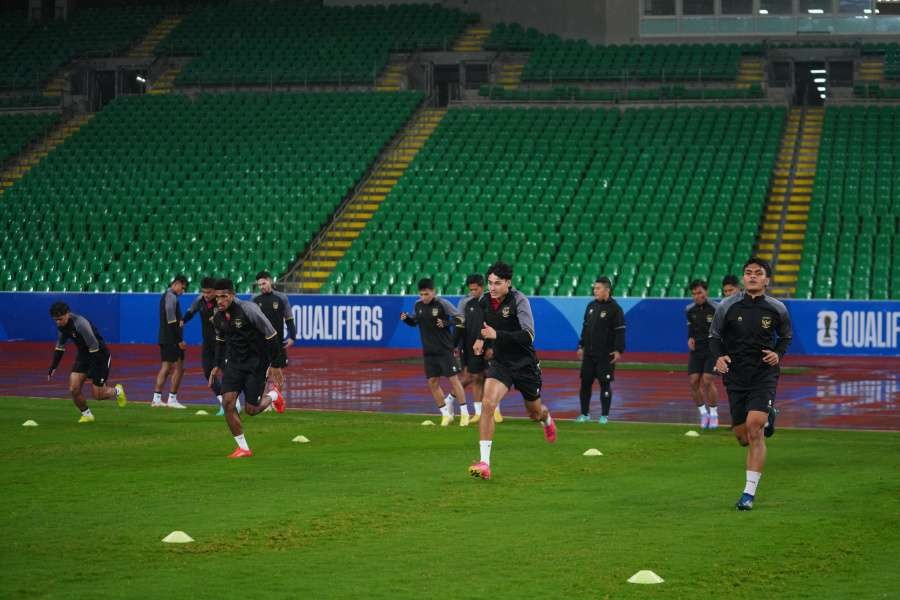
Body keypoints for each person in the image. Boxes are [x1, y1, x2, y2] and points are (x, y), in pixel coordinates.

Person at [710, 257, 792, 511]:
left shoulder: (777, 308)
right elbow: (714, 336)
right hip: (735, 376)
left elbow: (786, 336)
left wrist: (778, 353)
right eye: (748, 273)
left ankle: (748, 494)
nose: (752, 276)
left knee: (754, 428)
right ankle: (770, 416)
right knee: (742, 436)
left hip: (763, 374)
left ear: (767, 280)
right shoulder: (727, 306)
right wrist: (719, 356)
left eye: (758, 273)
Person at [468, 262, 556, 481]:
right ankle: (485, 463)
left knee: (534, 413)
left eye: (498, 283)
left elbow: (529, 336)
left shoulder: (519, 301)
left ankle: (546, 419)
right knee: (488, 403)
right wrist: (480, 339)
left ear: (508, 283)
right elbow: (485, 325)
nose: (493, 287)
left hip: (525, 365)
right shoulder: (485, 301)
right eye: (490, 283)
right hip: (501, 364)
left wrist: (496, 335)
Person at [208, 279, 285, 458]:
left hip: (256, 364)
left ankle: (274, 395)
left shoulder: (248, 309)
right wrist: (217, 364)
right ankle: (243, 448)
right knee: (227, 402)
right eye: (217, 297)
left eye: (224, 296)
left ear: (232, 295)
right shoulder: (218, 316)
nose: (220, 301)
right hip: (234, 364)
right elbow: (220, 340)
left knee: (252, 409)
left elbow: (271, 333)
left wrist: (276, 363)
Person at [401, 278, 469, 426]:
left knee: (454, 380)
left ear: (433, 292)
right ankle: (446, 415)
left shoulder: (442, 304)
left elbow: (461, 319)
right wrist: (407, 319)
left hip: (445, 350)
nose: (423, 297)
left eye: (426, 294)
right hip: (429, 351)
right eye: (421, 294)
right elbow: (415, 321)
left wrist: (447, 323)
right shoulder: (418, 305)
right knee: (432, 382)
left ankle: (464, 413)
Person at [47, 302, 127, 422]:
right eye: (55, 320)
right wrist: (54, 366)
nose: (58, 322)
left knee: (98, 395)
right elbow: (60, 346)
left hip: (99, 355)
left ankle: (117, 391)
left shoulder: (80, 323)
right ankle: (87, 414)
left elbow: (94, 345)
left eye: (60, 319)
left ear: (67, 314)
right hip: (84, 355)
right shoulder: (62, 327)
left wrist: (93, 370)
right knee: (74, 388)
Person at [450, 274, 502, 425]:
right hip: (471, 346)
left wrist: (492, 346)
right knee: (477, 378)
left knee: (494, 378)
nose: (473, 292)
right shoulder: (467, 304)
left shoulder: (492, 302)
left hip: (489, 345)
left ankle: (497, 410)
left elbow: (497, 325)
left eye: (475, 289)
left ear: (482, 286)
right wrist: (455, 345)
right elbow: (461, 326)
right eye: (471, 290)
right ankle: (478, 413)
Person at [576, 276, 625, 424]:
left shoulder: (616, 309)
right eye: (594, 288)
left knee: (605, 384)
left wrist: (618, 350)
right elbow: (585, 328)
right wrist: (581, 346)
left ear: (607, 290)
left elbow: (620, 331)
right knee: (585, 383)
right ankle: (584, 414)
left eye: (598, 288)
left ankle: (604, 416)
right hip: (589, 354)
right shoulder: (591, 306)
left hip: (605, 354)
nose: (594, 291)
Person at [181, 276, 226, 415]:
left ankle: (232, 402)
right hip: (207, 342)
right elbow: (191, 311)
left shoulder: (222, 301)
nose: (206, 295)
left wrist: (218, 319)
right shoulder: (200, 300)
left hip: (223, 342)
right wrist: (182, 320)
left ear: (215, 291)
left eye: (209, 292)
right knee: (208, 372)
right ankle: (223, 402)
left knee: (227, 373)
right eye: (204, 292)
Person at [686, 280, 720, 429]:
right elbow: (691, 328)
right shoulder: (689, 310)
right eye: (694, 294)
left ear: (706, 292)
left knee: (707, 380)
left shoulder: (716, 308)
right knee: (693, 382)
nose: (696, 296)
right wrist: (690, 338)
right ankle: (703, 413)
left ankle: (713, 414)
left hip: (712, 350)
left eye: (699, 292)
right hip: (697, 350)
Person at [153, 274, 188, 408]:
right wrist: (179, 340)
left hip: (167, 338)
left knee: (170, 367)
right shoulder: (171, 297)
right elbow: (171, 320)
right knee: (175, 368)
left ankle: (158, 399)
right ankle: (170, 399)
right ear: (176, 284)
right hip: (171, 339)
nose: (182, 291)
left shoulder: (168, 296)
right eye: (182, 288)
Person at [252, 271, 296, 377]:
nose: (261, 287)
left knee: (278, 372)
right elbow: (251, 321)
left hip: (277, 341)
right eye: (259, 285)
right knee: (261, 373)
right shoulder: (255, 299)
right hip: (260, 341)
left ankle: (277, 393)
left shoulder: (281, 297)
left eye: (263, 283)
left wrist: (292, 336)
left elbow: (289, 318)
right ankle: (262, 393)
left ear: (270, 281)